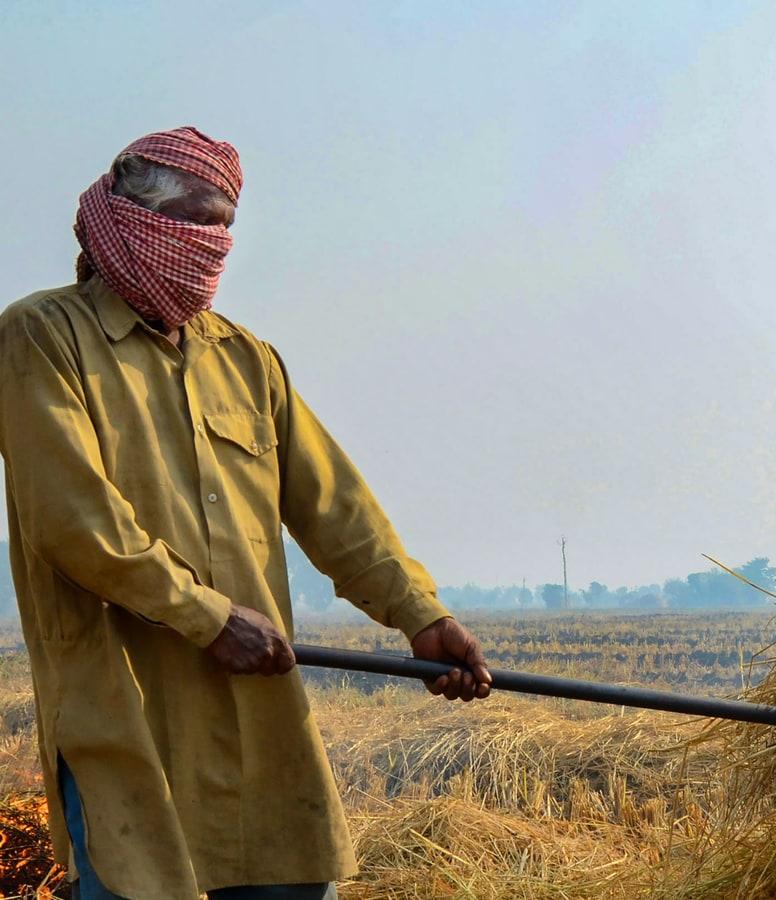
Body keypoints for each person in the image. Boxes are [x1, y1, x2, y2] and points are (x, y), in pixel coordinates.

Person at [0, 126, 493, 899]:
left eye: (227, 226)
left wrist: (419, 615)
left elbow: (336, 508)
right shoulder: (42, 336)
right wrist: (207, 617)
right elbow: (74, 522)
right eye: (198, 222)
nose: (214, 245)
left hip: (262, 724)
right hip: (130, 715)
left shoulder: (244, 358)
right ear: (131, 224)